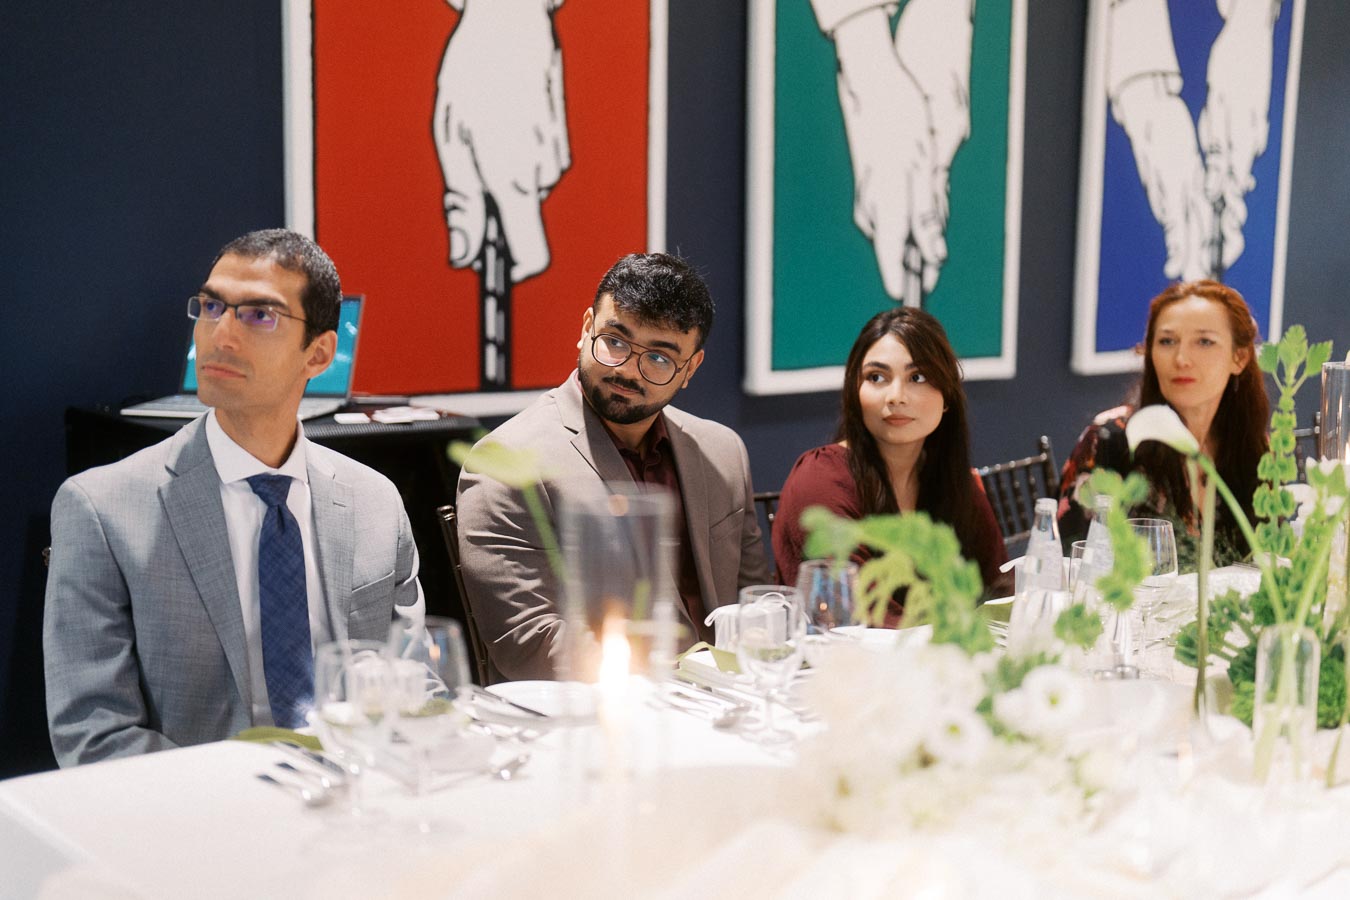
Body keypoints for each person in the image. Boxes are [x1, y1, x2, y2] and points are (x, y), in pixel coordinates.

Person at [44, 229, 425, 767]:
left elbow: (415, 683)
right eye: (211, 306)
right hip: (201, 823)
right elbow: (94, 737)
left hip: (360, 799)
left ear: (318, 354)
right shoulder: (103, 510)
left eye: (259, 315)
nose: (219, 335)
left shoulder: (373, 503)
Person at [456, 252, 772, 681]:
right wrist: (669, 683)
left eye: (659, 358)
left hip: (731, 704)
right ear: (587, 329)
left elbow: (752, 607)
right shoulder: (507, 464)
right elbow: (527, 640)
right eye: (615, 341)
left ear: (690, 368)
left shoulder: (721, 451)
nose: (626, 369)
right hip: (594, 717)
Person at [772, 308, 1008, 613]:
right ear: (855, 390)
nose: (896, 396)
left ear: (947, 395)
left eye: (918, 377)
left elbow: (1000, 590)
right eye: (877, 377)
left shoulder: (949, 481)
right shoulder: (820, 479)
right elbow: (856, 619)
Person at [1057, 279, 1268, 565]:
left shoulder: (1252, 448)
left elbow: (1267, 560)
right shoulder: (1112, 440)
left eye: (1204, 342)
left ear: (1239, 357)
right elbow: (1071, 566)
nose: (1181, 359)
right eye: (1167, 341)